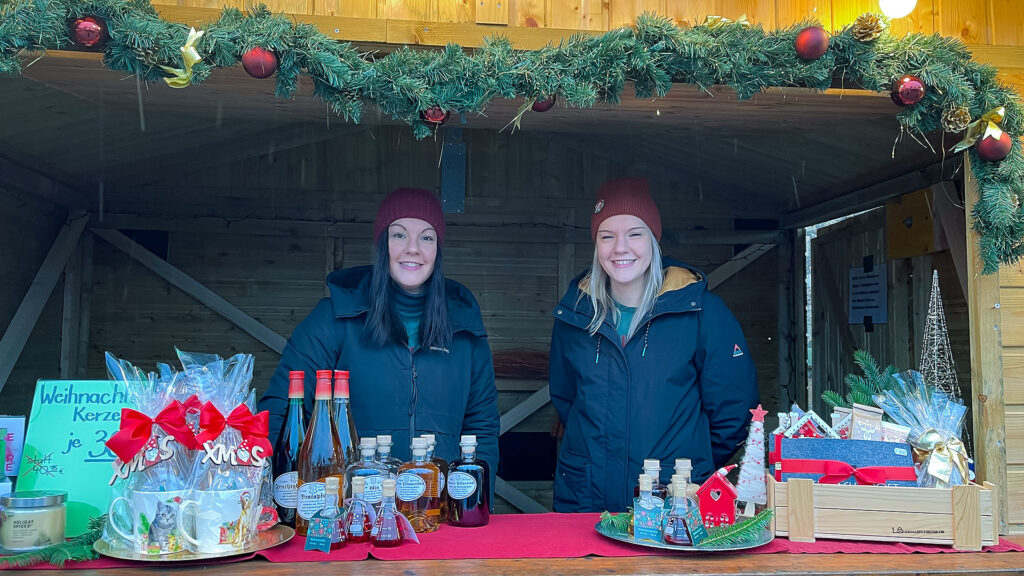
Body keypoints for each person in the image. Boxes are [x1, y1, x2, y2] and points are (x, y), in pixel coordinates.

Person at [548, 177, 759, 513]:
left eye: (635, 233)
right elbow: (566, 398)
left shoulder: (703, 313)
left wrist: (692, 460)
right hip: (586, 495)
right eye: (607, 236)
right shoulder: (575, 315)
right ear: (596, 245)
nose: (620, 248)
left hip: (673, 500)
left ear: (653, 240)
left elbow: (733, 413)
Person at [258, 188, 499, 480]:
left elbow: (482, 428)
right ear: (382, 244)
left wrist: (475, 503)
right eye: (399, 235)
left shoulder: (465, 330)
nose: (413, 248)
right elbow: (283, 413)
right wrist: (279, 498)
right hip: (350, 513)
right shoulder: (333, 318)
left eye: (426, 237)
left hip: (438, 511)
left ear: (438, 249)